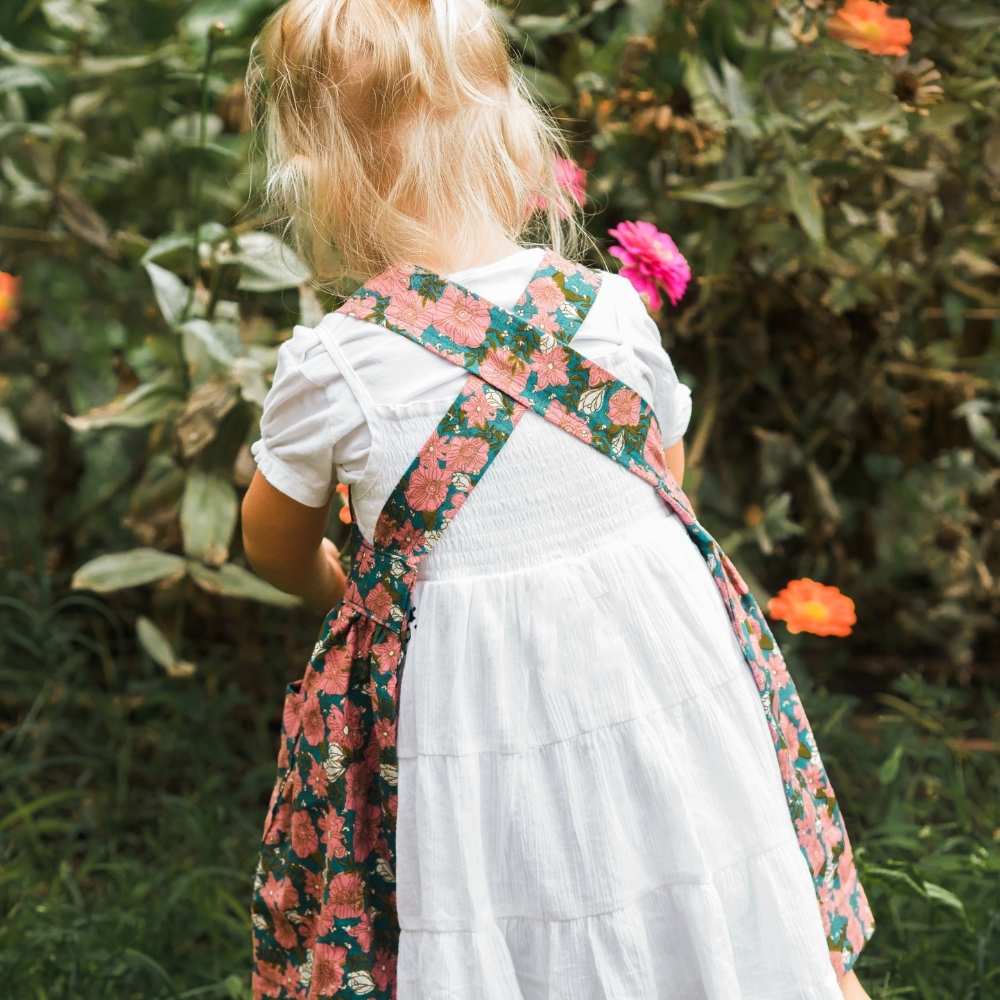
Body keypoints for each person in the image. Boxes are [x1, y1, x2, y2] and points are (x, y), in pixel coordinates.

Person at [239, 1, 875, 997]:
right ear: (513, 138)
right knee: (688, 870)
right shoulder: (610, 313)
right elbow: (665, 484)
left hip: (468, 712)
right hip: (658, 685)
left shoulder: (337, 365)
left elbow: (269, 544)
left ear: (312, 173)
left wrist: (360, 600)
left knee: (503, 902)